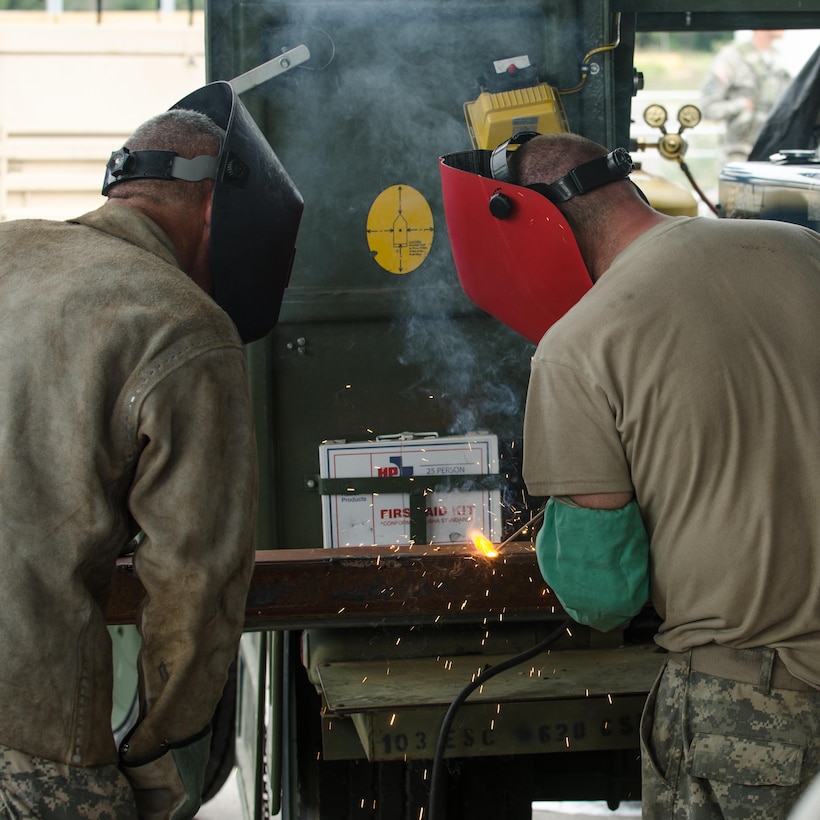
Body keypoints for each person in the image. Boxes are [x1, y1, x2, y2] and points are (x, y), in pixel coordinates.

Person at [0, 82, 302, 819]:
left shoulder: (9, 251)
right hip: (29, 743)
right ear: (214, 214)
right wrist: (156, 747)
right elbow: (196, 582)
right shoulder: (180, 323)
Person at [508, 132, 820, 818]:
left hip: (751, 713)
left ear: (535, 226)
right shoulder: (800, 248)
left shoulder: (580, 344)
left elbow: (601, 591)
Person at [700, 30, 791, 162]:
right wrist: (741, 106)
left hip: (773, 153)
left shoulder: (777, 58)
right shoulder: (732, 57)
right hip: (740, 155)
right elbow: (708, 107)